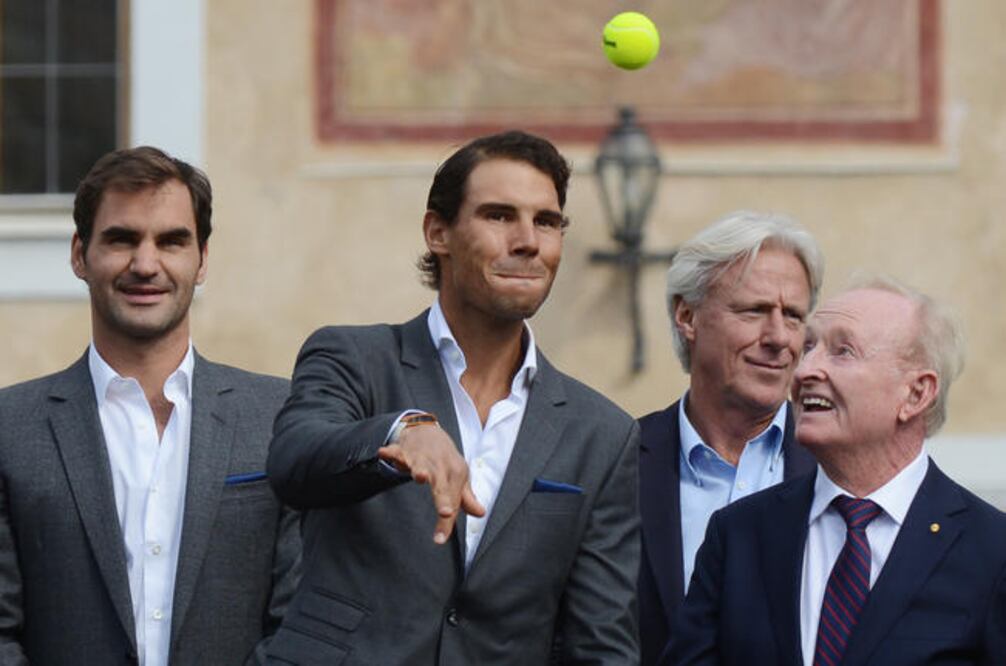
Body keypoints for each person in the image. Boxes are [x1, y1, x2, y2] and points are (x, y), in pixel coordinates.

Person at [266, 130, 640, 664]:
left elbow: (601, 642)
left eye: (547, 221)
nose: (528, 240)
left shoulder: (602, 433)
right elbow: (294, 461)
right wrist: (401, 432)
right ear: (437, 232)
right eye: (499, 216)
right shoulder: (352, 356)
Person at [0, 147, 301, 666]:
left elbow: (301, 616)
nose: (145, 264)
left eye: (171, 241)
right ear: (79, 255)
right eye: (121, 239)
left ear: (201, 259)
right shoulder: (10, 428)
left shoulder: (278, 417)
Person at [664, 277, 1006, 665]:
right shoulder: (739, 533)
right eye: (808, 347)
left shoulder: (992, 551)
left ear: (916, 394)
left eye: (842, 351)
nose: (804, 369)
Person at [637, 211, 822, 664]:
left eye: (794, 316)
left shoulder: (838, 465)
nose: (779, 338)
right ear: (687, 316)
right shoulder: (616, 459)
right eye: (754, 310)